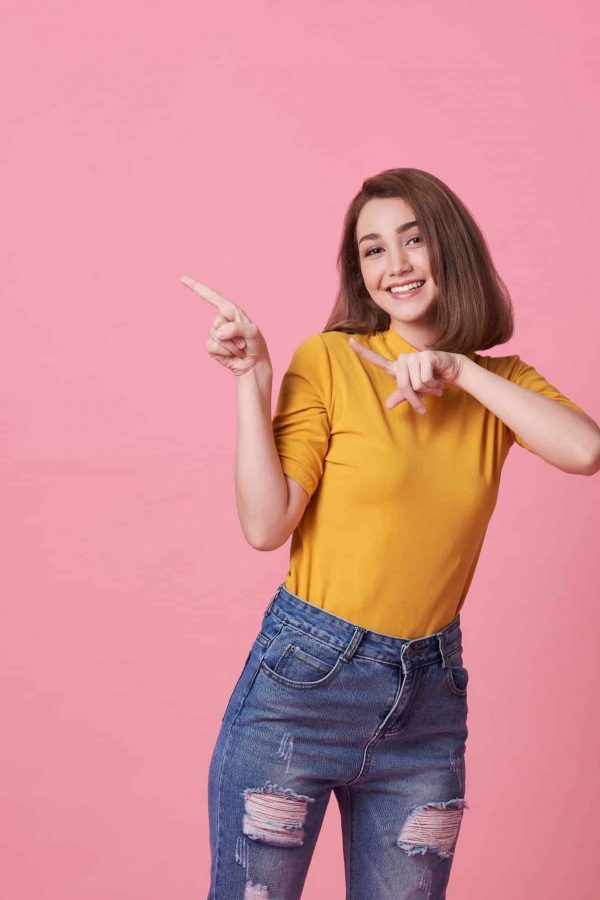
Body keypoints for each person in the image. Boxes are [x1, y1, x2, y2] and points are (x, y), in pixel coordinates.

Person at [180, 168, 600, 900]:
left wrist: (460, 371)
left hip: (427, 707)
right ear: (359, 271)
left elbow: (585, 450)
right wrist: (252, 380)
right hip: (301, 689)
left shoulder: (503, 386)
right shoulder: (331, 360)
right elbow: (265, 522)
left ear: (451, 247)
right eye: (372, 249)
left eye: (413, 239)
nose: (395, 265)